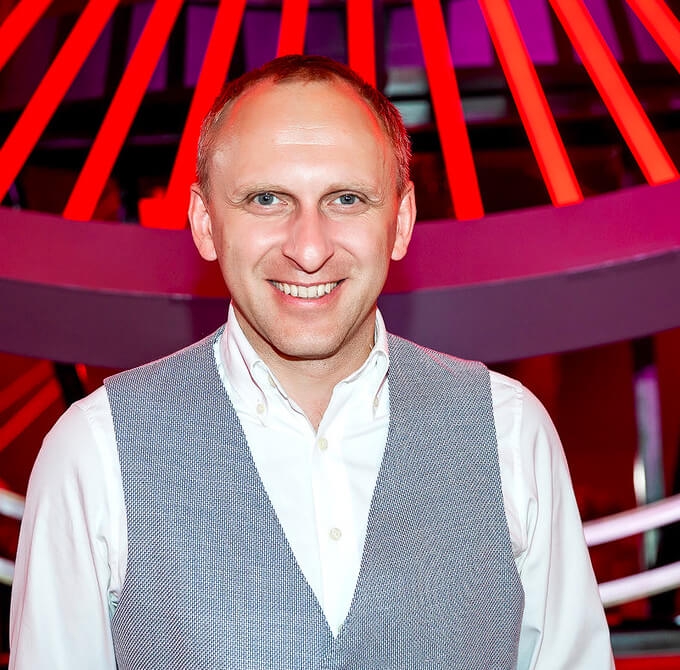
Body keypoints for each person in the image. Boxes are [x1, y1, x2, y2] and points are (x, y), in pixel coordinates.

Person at [9, 55, 614, 669]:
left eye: (346, 199)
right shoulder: (95, 454)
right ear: (205, 223)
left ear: (401, 221)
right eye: (267, 199)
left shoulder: (509, 433)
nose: (308, 248)